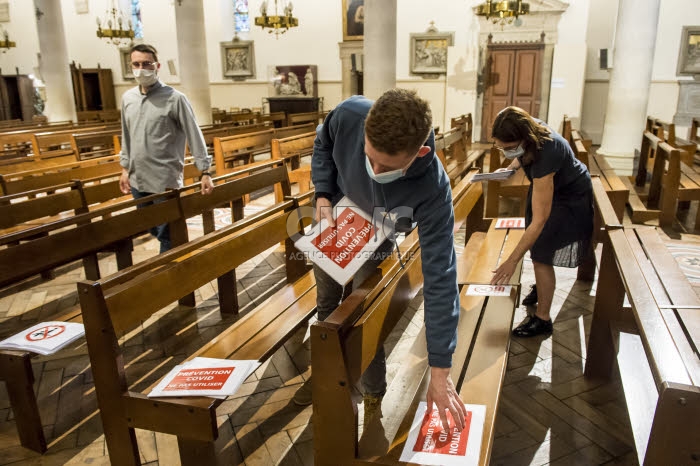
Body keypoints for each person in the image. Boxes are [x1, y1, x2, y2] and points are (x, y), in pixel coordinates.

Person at [293, 88, 468, 432]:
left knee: (363, 313)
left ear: (420, 153)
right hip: (337, 217)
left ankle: (373, 394)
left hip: (381, 231)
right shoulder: (349, 114)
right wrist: (324, 191)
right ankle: (326, 376)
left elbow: (441, 278)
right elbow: (323, 144)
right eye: (368, 156)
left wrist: (440, 369)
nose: (374, 169)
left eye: (387, 166)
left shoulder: (433, 189)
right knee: (327, 304)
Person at [489, 107, 593, 337]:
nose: (504, 151)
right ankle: (542, 287)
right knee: (537, 246)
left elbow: (540, 220)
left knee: (541, 256)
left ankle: (543, 319)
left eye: (507, 148)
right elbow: (521, 154)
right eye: (500, 146)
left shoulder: (547, 154)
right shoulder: (528, 127)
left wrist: (512, 261)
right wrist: (510, 168)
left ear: (523, 137)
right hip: (552, 190)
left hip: (568, 197)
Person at [118, 43, 214, 253]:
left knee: (168, 233)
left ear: (157, 66)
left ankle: (173, 276)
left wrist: (205, 171)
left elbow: (194, 134)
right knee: (151, 226)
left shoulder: (175, 98)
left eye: (146, 63)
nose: (141, 68)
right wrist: (125, 168)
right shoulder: (128, 99)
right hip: (137, 178)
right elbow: (126, 136)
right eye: (136, 64)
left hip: (164, 180)